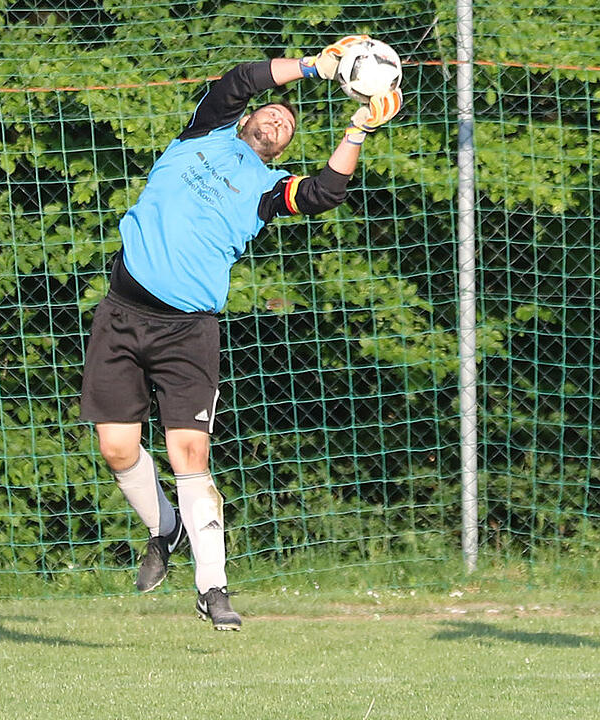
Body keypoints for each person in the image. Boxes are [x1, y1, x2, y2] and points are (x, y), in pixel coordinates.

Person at [79, 35, 403, 631]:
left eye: (288, 127)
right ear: (250, 116)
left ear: (284, 147)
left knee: (190, 457)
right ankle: (165, 529)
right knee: (116, 449)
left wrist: (358, 128)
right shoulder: (203, 133)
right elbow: (238, 78)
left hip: (188, 333)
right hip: (122, 314)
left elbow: (326, 191)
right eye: (273, 111)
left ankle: (213, 588)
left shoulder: (265, 190)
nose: (279, 119)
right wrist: (315, 67)